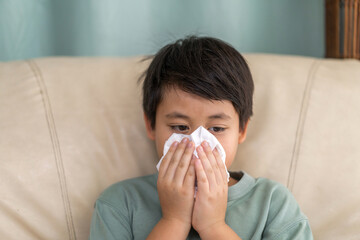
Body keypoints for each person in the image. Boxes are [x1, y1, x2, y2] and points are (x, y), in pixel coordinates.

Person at [89, 36, 313, 240]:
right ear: (151, 125)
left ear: (242, 130)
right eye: (179, 126)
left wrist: (213, 226)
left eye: (216, 128)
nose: (197, 144)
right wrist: (173, 221)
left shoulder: (273, 204)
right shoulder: (120, 203)